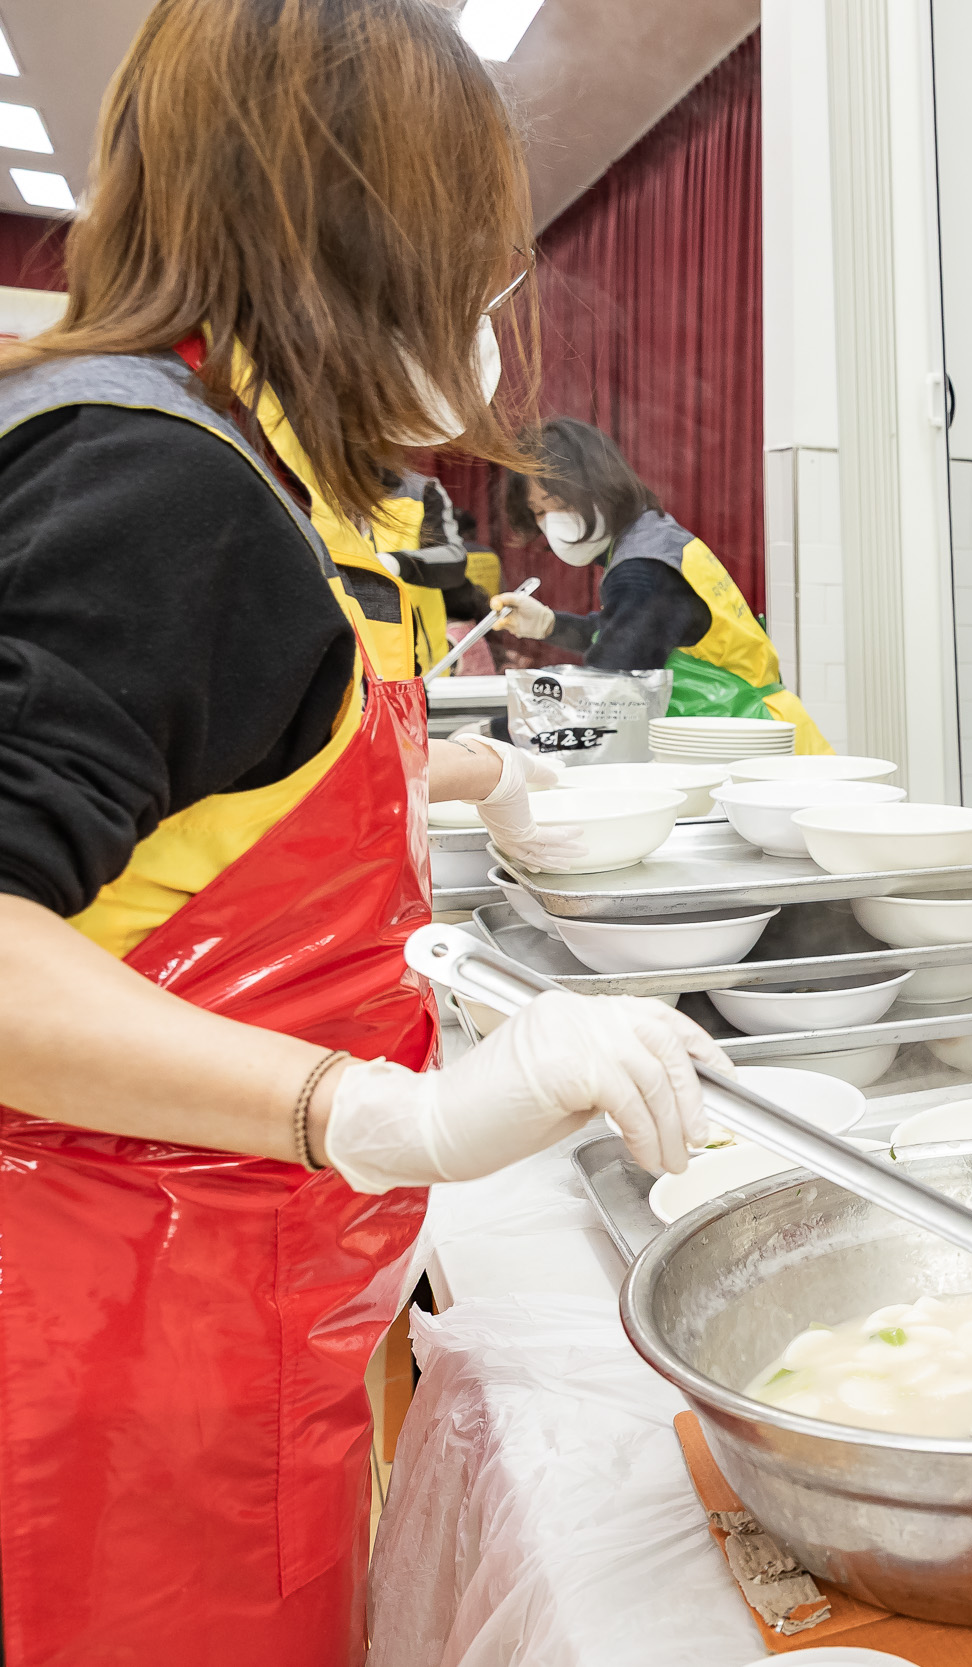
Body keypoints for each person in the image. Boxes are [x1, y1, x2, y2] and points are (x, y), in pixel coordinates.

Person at [0, 3, 723, 1661]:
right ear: (358, 237)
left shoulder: (208, 463)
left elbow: (200, 804)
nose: (490, 313)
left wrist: (455, 783)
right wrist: (383, 1112)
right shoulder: (159, 487)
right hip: (112, 1340)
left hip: (223, 1298)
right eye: (474, 259)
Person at [488, 417, 832, 749]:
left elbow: (606, 687)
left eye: (560, 504)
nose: (552, 524)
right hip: (751, 730)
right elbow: (639, 634)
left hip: (745, 743)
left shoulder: (643, 568)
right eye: (538, 511)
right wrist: (549, 624)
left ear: (601, 487)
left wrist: (497, 732)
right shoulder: (657, 538)